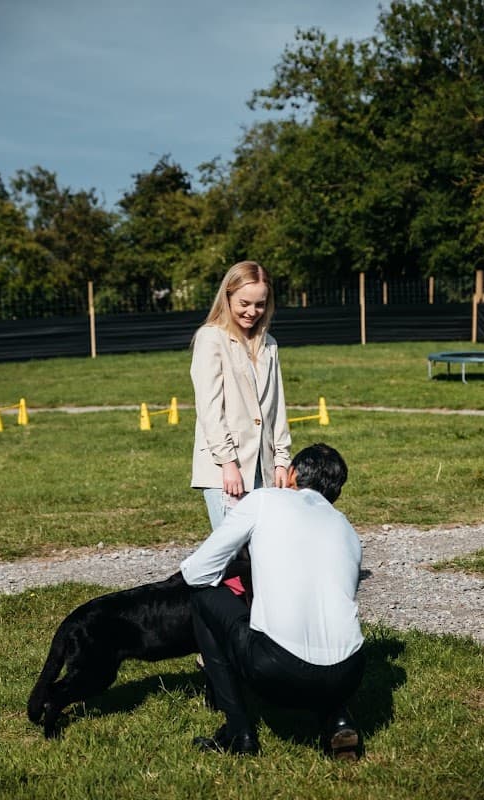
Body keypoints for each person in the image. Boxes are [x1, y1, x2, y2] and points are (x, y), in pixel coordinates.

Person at [180, 443, 365, 761]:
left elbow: (196, 572)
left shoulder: (264, 501)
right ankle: (338, 719)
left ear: (292, 473)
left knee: (202, 596)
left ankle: (239, 733)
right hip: (350, 672)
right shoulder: (346, 527)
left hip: (278, 671)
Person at [190, 260, 291, 594]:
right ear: (228, 297)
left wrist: (281, 459)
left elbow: (276, 406)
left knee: (263, 552)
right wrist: (227, 463)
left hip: (263, 468)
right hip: (226, 470)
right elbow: (209, 408)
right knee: (230, 556)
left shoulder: (270, 344)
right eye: (244, 304)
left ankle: (260, 626)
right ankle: (220, 632)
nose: (252, 311)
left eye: (260, 304)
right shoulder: (211, 339)